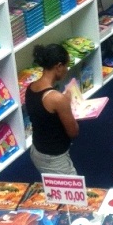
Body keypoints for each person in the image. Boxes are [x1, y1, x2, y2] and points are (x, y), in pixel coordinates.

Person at [26, 43, 80, 175]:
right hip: (54, 159)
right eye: (66, 66)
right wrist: (67, 105)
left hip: (37, 150)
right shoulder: (57, 99)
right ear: (59, 66)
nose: (67, 70)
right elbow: (73, 132)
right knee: (72, 193)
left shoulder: (31, 87)